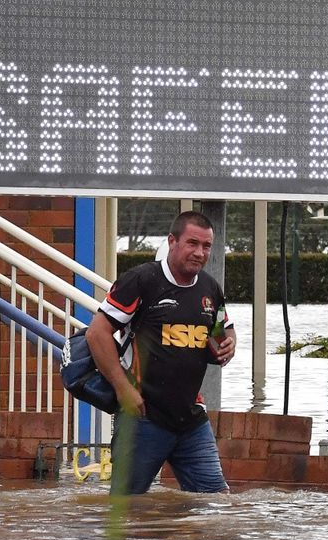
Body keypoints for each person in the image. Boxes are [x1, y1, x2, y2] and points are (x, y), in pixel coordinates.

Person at [86, 210, 237, 494]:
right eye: (192, 243)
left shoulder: (210, 288)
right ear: (172, 241)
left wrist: (230, 343)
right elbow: (97, 333)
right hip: (143, 417)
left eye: (206, 246)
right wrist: (122, 388)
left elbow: (222, 329)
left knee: (216, 502)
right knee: (127, 506)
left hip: (191, 419)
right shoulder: (141, 280)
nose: (199, 253)